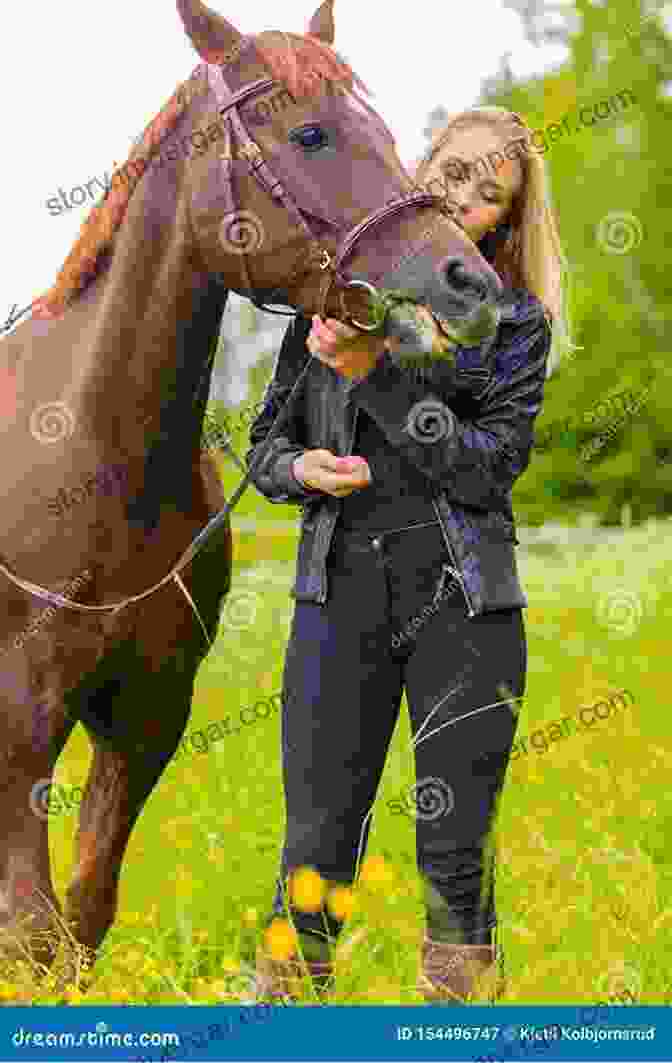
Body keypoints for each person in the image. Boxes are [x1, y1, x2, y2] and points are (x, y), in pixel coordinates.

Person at [245, 106, 571, 1003]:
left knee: (455, 858)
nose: (461, 195)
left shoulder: (514, 324)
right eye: (452, 170)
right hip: (336, 597)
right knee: (313, 845)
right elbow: (263, 440)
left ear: (503, 220)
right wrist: (297, 465)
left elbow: (485, 470)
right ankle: (281, 1032)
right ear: (420, 164)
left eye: (488, 193)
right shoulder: (330, 293)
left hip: (464, 612)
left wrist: (370, 375)